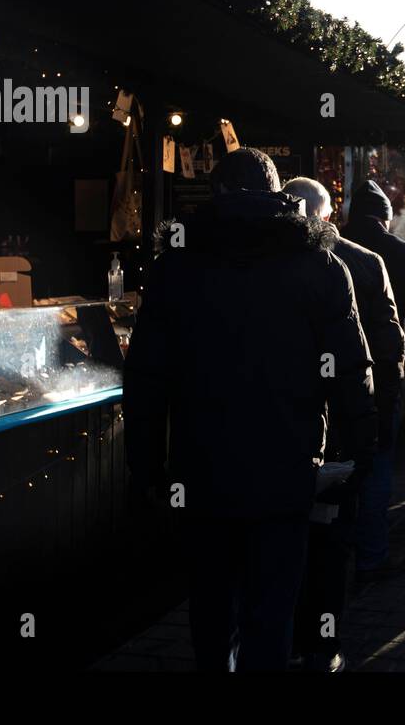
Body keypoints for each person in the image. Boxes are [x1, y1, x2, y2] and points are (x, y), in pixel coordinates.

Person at [124, 148, 376, 671]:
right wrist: (361, 454)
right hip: (286, 464)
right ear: (279, 194)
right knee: (273, 606)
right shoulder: (319, 264)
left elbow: (147, 376)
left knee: (211, 603)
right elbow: (351, 371)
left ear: (215, 194)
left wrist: (145, 466)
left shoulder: (177, 267)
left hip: (200, 468)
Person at [282, 177, 403, 671]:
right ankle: (322, 644)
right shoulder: (362, 262)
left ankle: (286, 637)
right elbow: (386, 347)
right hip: (337, 431)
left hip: (283, 428)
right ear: (327, 215)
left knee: (283, 540)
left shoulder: (260, 262)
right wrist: (378, 419)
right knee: (330, 544)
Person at [343, 180, 405, 582]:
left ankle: (337, 546)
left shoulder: (330, 248)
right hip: (385, 374)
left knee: (339, 461)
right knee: (379, 461)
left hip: (335, 374)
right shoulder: (402, 254)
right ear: (385, 216)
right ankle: (372, 552)